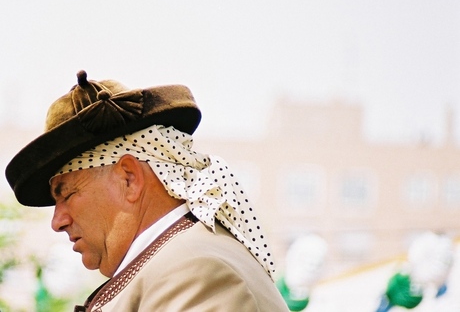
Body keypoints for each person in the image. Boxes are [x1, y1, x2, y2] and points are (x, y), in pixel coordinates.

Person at [5, 71, 289, 311]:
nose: (58, 221)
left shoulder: (193, 270)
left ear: (129, 178)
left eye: (66, 194)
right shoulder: (177, 263)